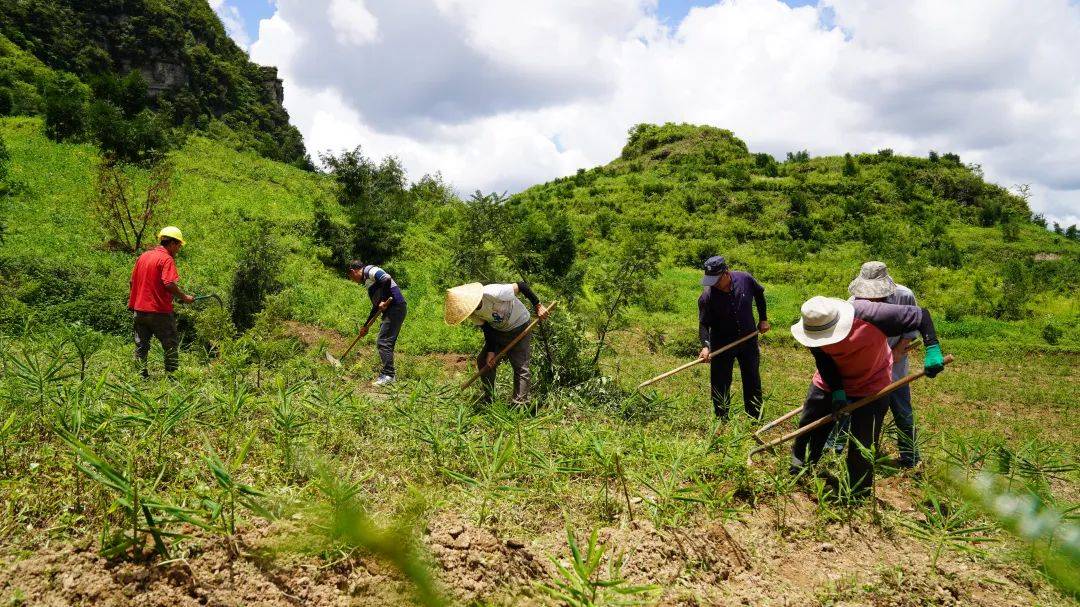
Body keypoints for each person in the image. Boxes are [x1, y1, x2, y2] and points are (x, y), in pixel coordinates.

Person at [789, 295, 945, 495]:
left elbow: (921, 315)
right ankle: (799, 470)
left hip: (872, 381)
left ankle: (857, 490)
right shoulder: (811, 329)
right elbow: (824, 361)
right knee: (811, 425)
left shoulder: (871, 314)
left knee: (863, 440)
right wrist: (837, 391)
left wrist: (932, 347)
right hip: (830, 381)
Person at [846, 261, 922, 467]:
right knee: (850, 407)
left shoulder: (904, 295)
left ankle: (911, 457)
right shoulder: (853, 302)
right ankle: (836, 448)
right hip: (866, 366)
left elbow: (913, 326)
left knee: (902, 410)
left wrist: (898, 350)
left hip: (895, 366)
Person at [444, 281, 549, 406]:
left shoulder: (494, 292)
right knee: (484, 361)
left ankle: (520, 404)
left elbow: (521, 286)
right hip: (500, 332)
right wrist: (491, 352)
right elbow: (488, 330)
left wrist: (537, 305)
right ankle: (490, 398)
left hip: (520, 326)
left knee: (520, 366)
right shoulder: (472, 313)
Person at [697, 256, 770, 419]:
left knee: (752, 378)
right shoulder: (707, 297)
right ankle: (721, 418)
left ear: (726, 273)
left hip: (748, 340)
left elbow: (759, 294)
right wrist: (705, 346)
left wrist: (763, 319)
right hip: (722, 344)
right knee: (720, 382)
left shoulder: (745, 279)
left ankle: (754, 417)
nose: (713, 283)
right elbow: (703, 324)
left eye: (716, 279)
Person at [128, 226, 194, 378]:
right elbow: (169, 283)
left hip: (139, 310)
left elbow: (132, 282)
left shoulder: (143, 256)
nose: (178, 249)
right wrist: (184, 297)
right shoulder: (166, 259)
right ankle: (172, 377)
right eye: (178, 246)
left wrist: (135, 301)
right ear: (172, 243)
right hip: (159, 312)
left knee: (141, 345)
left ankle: (140, 376)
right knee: (170, 344)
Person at [347, 261, 407, 386]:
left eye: (351, 278)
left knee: (383, 341)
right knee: (386, 342)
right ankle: (388, 374)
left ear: (353, 272)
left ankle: (389, 375)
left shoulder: (370, 271)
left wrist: (384, 300)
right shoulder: (368, 282)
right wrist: (366, 326)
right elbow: (376, 306)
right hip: (392, 309)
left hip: (395, 307)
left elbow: (386, 278)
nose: (353, 281)